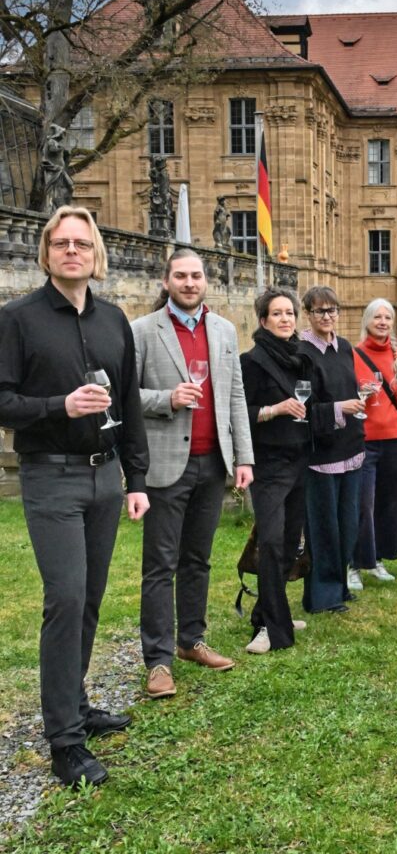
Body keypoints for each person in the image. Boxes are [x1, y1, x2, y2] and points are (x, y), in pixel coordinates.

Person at [0, 206, 149, 788]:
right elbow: (2, 401)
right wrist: (58, 407)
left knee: (88, 599)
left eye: (81, 244)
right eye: (60, 243)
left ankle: (76, 702)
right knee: (64, 598)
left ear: (96, 254)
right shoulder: (17, 319)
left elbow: (130, 405)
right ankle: (65, 741)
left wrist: (136, 481)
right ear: (46, 252)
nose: (71, 251)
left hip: (104, 477)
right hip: (51, 476)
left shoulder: (115, 320)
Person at [132, 249, 254, 699]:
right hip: (165, 465)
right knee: (160, 566)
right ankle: (158, 661)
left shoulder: (223, 329)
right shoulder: (143, 331)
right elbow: (125, 396)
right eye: (180, 276)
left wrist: (244, 457)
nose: (189, 282)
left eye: (196, 275)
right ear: (166, 282)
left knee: (198, 560)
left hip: (212, 462)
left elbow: (236, 397)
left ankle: (191, 641)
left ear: (207, 281)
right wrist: (167, 399)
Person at [240, 287, 313, 654]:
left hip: (299, 458)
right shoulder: (251, 361)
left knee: (287, 543)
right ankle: (271, 626)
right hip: (268, 463)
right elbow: (242, 413)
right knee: (269, 542)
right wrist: (275, 409)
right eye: (278, 314)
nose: (286, 319)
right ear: (263, 320)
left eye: (290, 313)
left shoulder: (299, 358)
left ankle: (271, 611)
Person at [298, 286, 366, 613]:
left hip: (351, 450)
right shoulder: (302, 353)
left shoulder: (344, 347)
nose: (327, 317)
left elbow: (349, 388)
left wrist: (356, 403)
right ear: (307, 314)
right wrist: (340, 408)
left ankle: (339, 585)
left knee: (348, 525)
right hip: (321, 455)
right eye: (320, 311)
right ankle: (322, 596)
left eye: (332, 310)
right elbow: (303, 408)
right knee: (323, 528)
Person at [349, 299, 397, 590]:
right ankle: (354, 563)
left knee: (389, 503)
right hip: (365, 441)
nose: (383, 322)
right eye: (377, 317)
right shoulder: (352, 355)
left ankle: (377, 559)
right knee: (362, 503)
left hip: (396, 440)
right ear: (367, 321)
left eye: (387, 317)